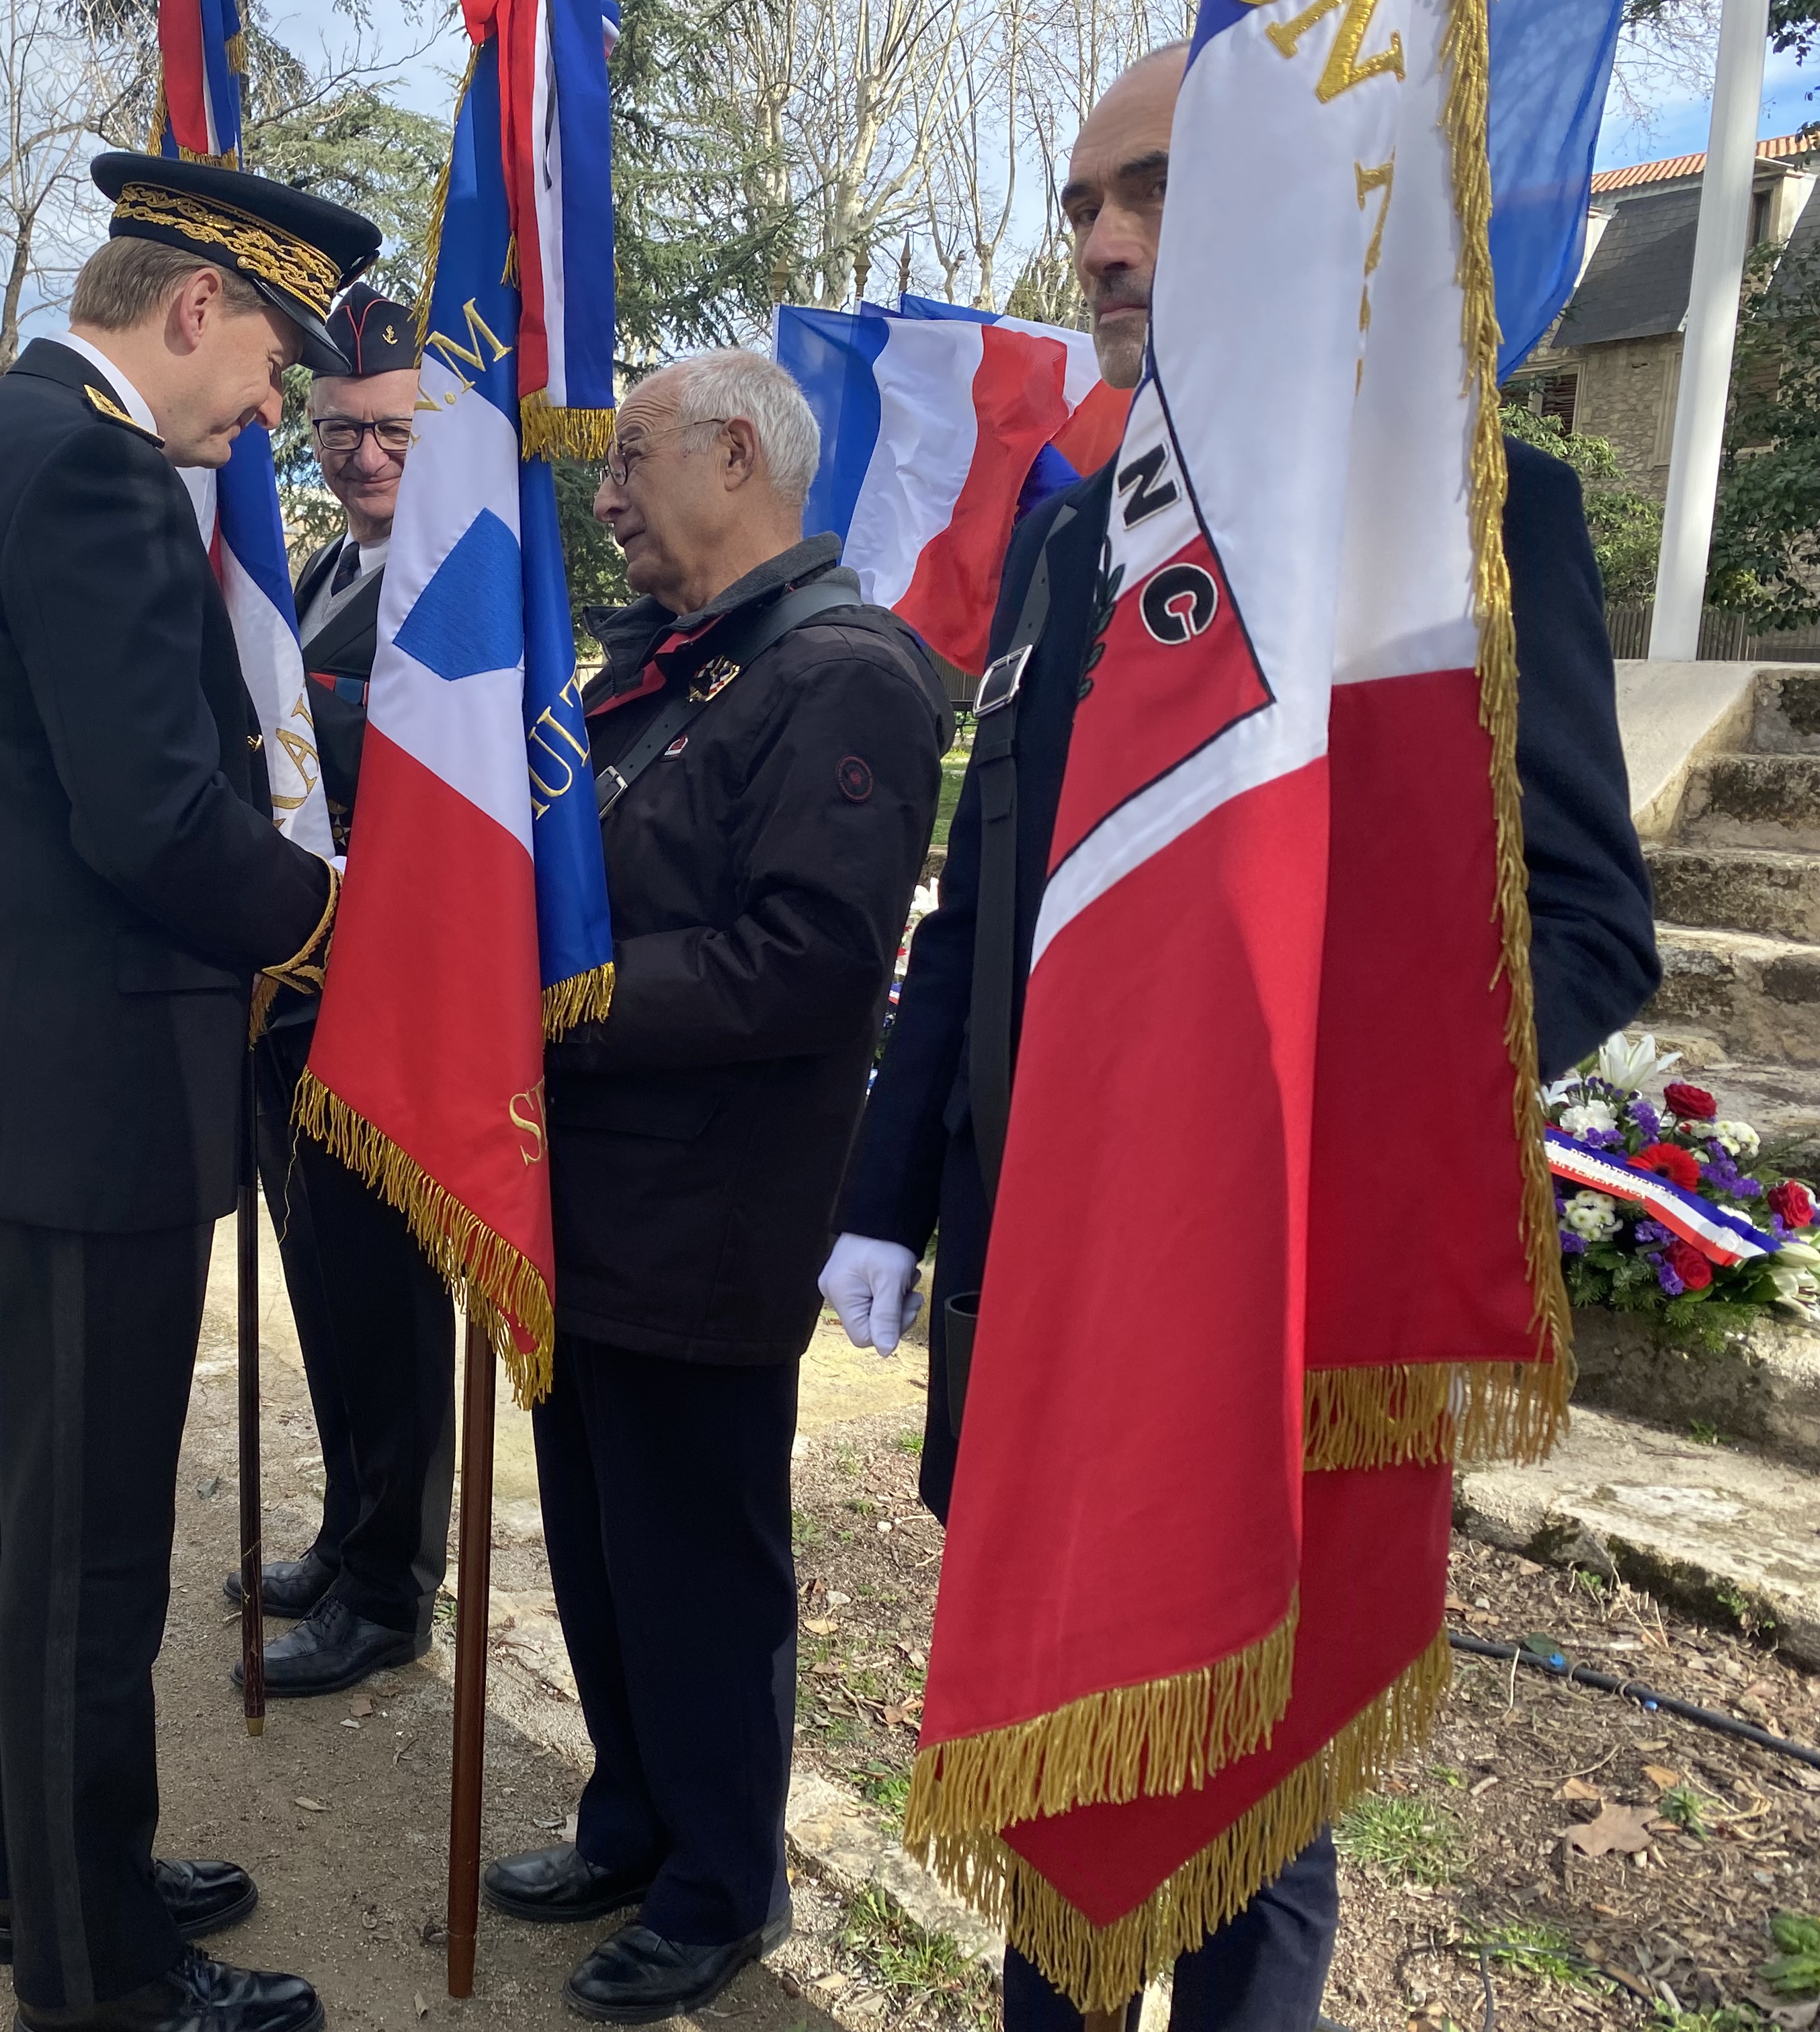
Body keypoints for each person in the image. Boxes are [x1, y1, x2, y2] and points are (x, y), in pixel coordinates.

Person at [818, 44, 1662, 2032]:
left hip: (1266, 1325)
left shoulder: (1453, 513)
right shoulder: (1066, 533)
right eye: (1083, 208)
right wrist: (883, 1199)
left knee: (1248, 1844)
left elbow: (1580, 932)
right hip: (1034, 1304)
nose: (1104, 244)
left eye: (1159, 195)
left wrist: (1280, 1147)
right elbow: (987, 915)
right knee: (1055, 1796)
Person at [0, 153, 376, 2032]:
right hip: (88, 1099)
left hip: (25, 1081)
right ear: (191, 309)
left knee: (27, 1513)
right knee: (86, 1550)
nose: (269, 408)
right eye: (268, 361)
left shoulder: (2, 440)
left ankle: (40, 1873)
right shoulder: (89, 466)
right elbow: (155, 817)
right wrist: (344, 915)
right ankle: (98, 1979)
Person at [480, 349, 951, 2025]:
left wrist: (564, 1001)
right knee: (605, 1550)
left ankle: (721, 1880)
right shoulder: (675, 668)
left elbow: (810, 966)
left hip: (709, 1213)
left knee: (697, 1564)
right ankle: (632, 1817)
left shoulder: (844, 676)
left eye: (627, 466)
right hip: (590, 1199)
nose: (600, 499)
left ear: (736, 453)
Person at [230, 280, 458, 1699]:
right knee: (320, 1283)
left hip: (388, 1006)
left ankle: (392, 1585)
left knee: (382, 1298)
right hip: (293, 990)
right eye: (333, 431)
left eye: (389, 432)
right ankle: (344, 1528)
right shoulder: (315, 572)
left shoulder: (468, 586)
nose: (362, 458)